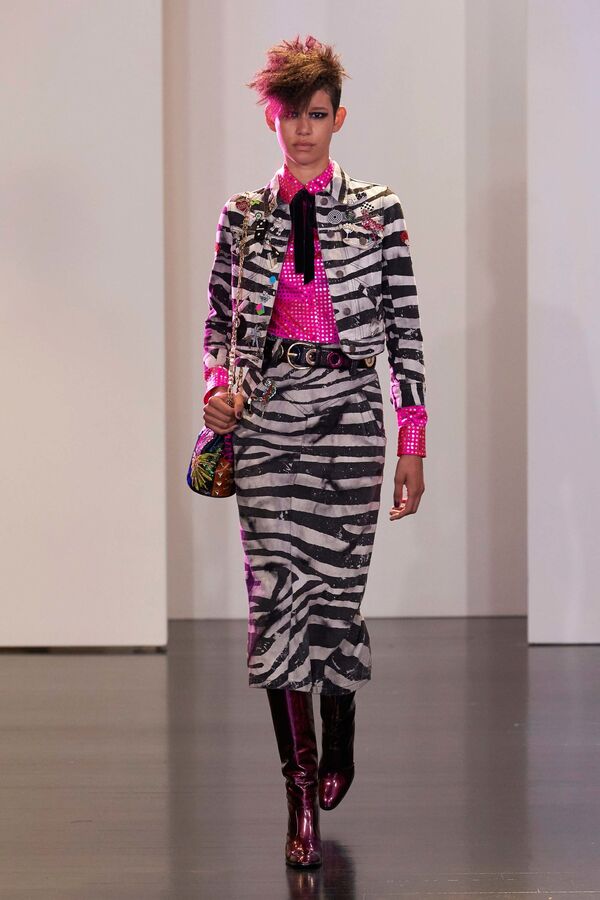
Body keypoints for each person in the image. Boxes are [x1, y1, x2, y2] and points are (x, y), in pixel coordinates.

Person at [201, 34, 427, 869]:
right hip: (268, 420)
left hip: (351, 419)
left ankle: (341, 722)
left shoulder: (378, 211)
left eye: (318, 114)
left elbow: (405, 332)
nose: (303, 129)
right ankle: (298, 793)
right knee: (276, 603)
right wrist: (217, 390)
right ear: (272, 118)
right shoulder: (244, 216)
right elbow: (219, 329)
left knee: (335, 596)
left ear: (340, 118)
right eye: (290, 115)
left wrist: (412, 441)